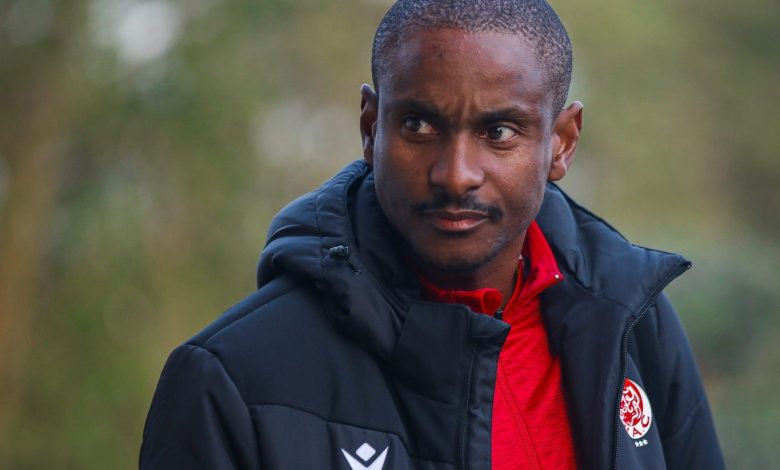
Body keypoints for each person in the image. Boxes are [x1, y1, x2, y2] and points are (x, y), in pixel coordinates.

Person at [140, 1, 725, 469]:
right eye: (419, 125)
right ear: (371, 127)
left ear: (562, 142)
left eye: (499, 131)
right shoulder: (231, 379)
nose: (455, 174)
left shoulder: (630, 322)